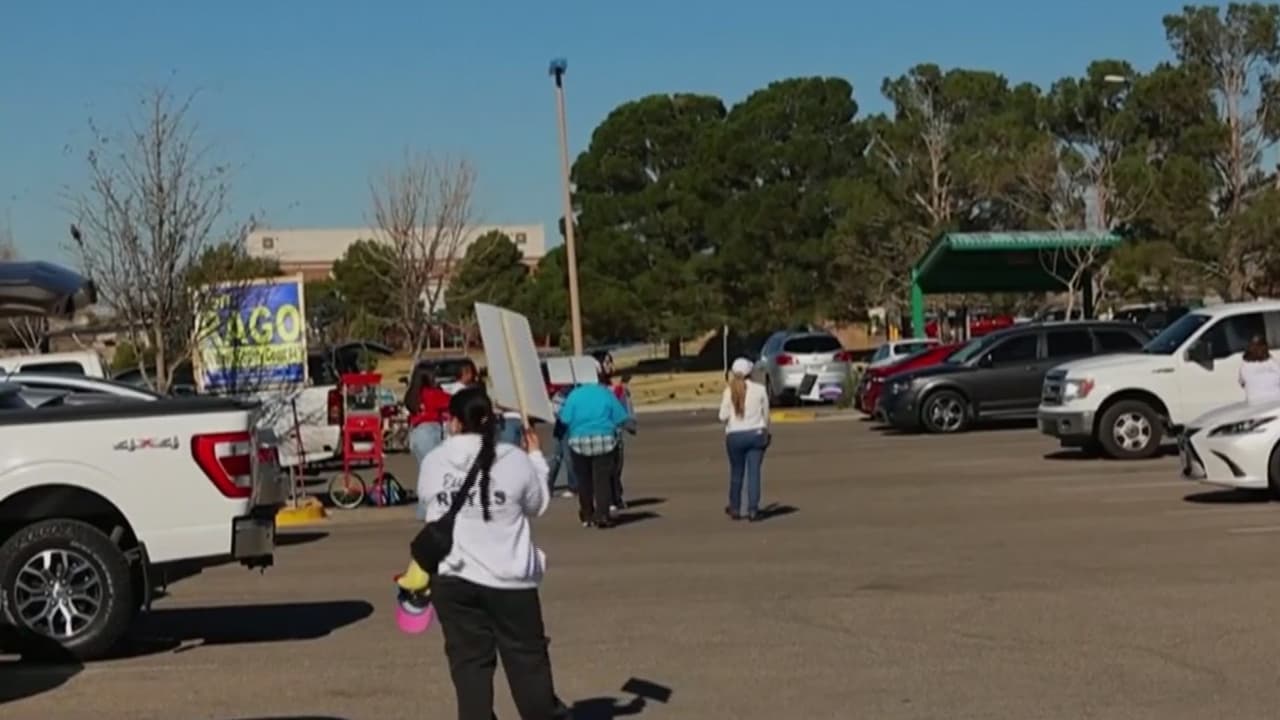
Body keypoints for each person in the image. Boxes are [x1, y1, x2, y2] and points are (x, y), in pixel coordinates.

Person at [417, 386, 567, 720]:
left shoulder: (433, 461)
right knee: (527, 662)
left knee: (469, 666)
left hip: (453, 578)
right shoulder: (512, 459)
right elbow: (538, 503)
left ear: (452, 422)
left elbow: (428, 502)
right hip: (509, 581)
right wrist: (536, 459)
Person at [559, 368, 632, 528]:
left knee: (584, 480)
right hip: (604, 440)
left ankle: (587, 514)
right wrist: (630, 427)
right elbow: (620, 416)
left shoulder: (574, 395)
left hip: (579, 441)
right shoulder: (605, 393)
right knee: (602, 479)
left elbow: (564, 419)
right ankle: (603, 515)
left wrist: (560, 433)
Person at [719, 357, 771, 522]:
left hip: (735, 436)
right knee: (754, 472)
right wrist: (765, 431)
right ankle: (753, 509)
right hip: (756, 434)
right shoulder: (760, 390)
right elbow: (766, 415)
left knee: (736, 472)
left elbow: (722, 416)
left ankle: (735, 507)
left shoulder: (729, 391)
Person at [405, 364, 451, 470]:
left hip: (415, 433)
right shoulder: (433, 394)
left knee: (426, 470)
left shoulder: (413, 395)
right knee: (436, 470)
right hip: (429, 432)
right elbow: (454, 401)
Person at [1239, 335, 1280, 405]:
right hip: (1276, 401)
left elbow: (1242, 383)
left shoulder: (1244, 366)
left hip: (1254, 403)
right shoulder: (1273, 363)